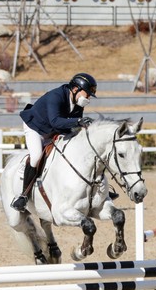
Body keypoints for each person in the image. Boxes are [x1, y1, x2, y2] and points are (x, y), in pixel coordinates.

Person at [10, 73, 97, 212]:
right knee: (36, 156)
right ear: (75, 89)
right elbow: (56, 121)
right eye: (87, 94)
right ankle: (23, 195)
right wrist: (78, 121)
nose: (88, 98)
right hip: (36, 128)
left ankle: (95, 189)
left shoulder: (78, 102)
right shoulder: (55, 96)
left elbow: (73, 124)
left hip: (54, 129)